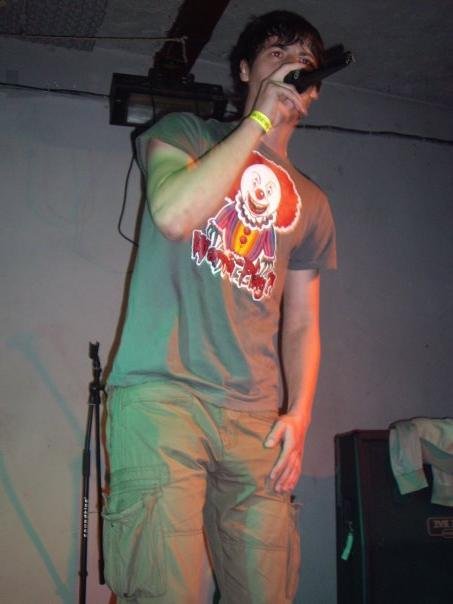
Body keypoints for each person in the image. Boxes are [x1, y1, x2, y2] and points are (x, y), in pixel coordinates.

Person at [103, 10, 336, 604]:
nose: (291, 67)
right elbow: (174, 214)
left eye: (303, 62)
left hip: (256, 418)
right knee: (161, 590)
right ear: (244, 70)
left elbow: (302, 322)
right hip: (164, 395)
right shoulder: (183, 132)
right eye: (276, 54)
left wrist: (300, 414)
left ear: (312, 93)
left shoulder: (313, 202)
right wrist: (259, 121)